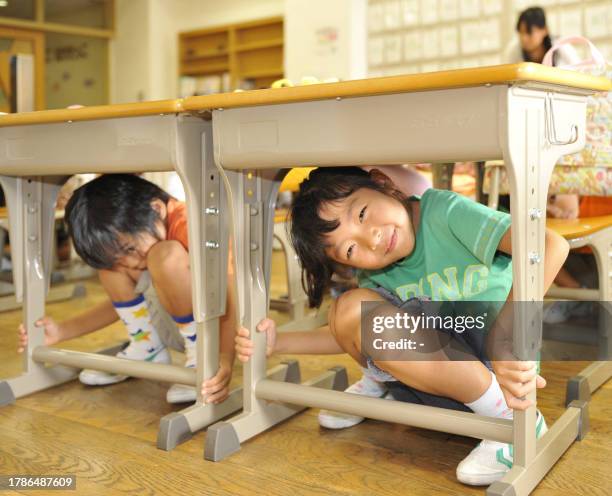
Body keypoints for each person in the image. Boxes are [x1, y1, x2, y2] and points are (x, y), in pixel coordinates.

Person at [235, 167, 569, 485]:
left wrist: (504, 338)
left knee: (372, 315)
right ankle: (386, 383)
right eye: (351, 249)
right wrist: (279, 343)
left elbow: (551, 245)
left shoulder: (444, 211)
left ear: (383, 183)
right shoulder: (375, 271)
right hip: (440, 385)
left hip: (502, 379)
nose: (372, 239)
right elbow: (345, 333)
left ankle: (513, 425)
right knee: (348, 310)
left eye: (362, 214)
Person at [17, 174, 236, 405]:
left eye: (131, 248)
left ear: (156, 209)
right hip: (177, 329)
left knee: (165, 256)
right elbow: (126, 303)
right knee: (111, 266)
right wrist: (62, 331)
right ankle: (147, 348)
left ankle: (202, 355)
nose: (131, 263)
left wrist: (223, 357)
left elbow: (231, 293)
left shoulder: (193, 224)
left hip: (218, 331)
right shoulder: (137, 247)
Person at [504, 6, 579, 66]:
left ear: (545, 30)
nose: (524, 38)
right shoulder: (514, 50)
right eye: (521, 32)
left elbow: (580, 73)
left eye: (529, 32)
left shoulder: (562, 48)